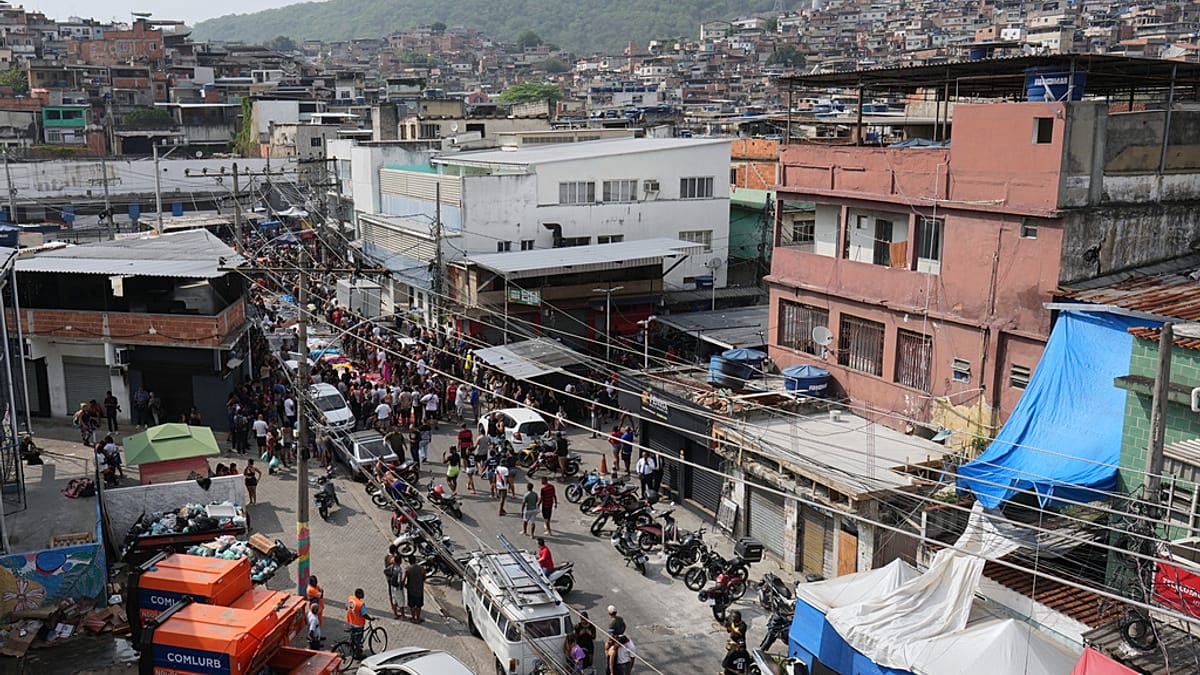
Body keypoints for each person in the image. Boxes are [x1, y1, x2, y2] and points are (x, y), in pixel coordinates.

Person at [345, 588, 370, 659]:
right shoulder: (360, 604)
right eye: (362, 593)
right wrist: (371, 619)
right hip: (358, 624)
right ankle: (358, 655)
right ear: (359, 594)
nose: (363, 595)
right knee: (358, 640)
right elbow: (364, 614)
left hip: (350, 622)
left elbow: (346, 607)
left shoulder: (350, 598)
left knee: (353, 637)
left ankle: (352, 649)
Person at [402, 555, 426, 624]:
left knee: (412, 605)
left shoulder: (407, 569)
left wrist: (404, 586)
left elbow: (403, 580)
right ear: (415, 560)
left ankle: (413, 618)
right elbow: (424, 577)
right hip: (419, 590)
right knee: (419, 605)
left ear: (409, 561)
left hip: (411, 590)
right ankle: (418, 618)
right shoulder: (421, 568)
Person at [384, 545, 406, 620]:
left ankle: (394, 610)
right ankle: (402, 615)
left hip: (390, 580)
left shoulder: (387, 557)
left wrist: (390, 575)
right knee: (400, 600)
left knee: (392, 595)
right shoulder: (398, 569)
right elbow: (399, 580)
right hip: (397, 586)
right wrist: (402, 584)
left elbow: (385, 570)